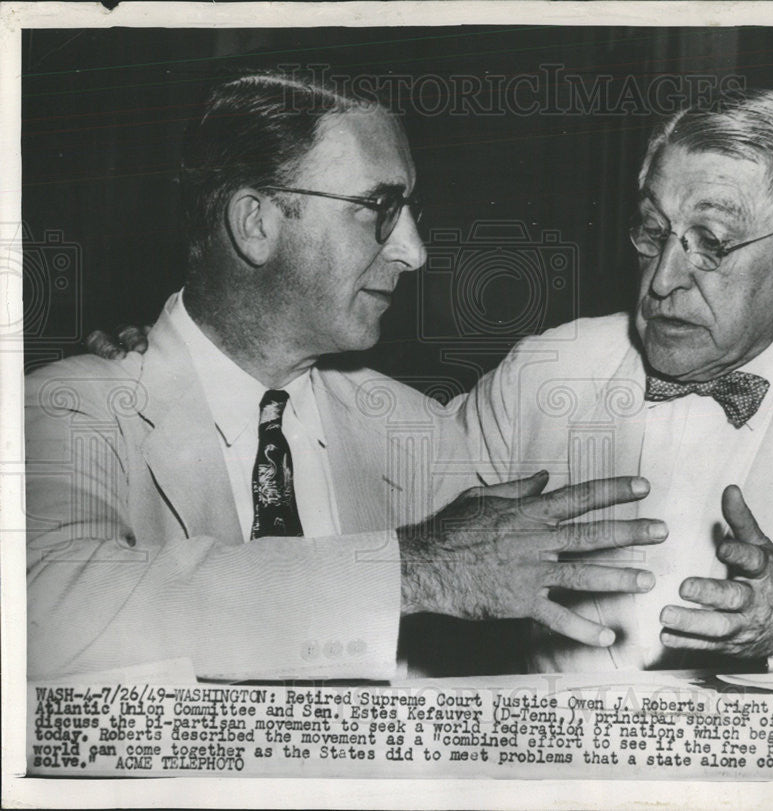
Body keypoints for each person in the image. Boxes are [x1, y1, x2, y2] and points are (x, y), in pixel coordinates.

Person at [24, 71, 668, 681]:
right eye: (378, 207)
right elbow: (38, 617)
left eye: (409, 210)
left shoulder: (415, 428)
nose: (413, 251)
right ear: (256, 224)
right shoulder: (69, 408)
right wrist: (409, 571)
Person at [450, 88, 773, 672]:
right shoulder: (542, 372)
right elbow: (397, 544)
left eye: (710, 243)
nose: (663, 280)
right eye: (651, 230)